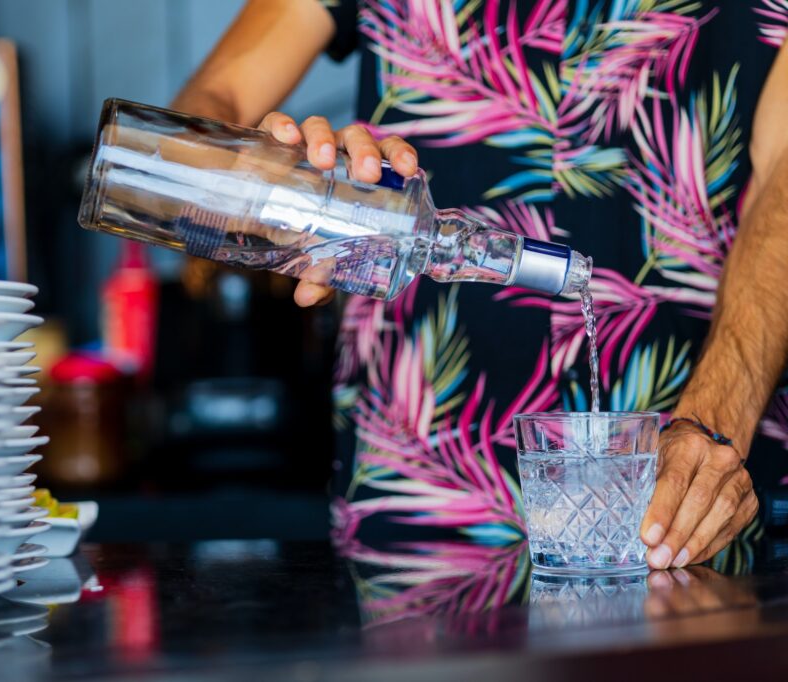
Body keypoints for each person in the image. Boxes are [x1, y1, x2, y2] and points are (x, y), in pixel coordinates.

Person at [171, 0, 788, 568]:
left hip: (692, 501)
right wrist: (277, 177)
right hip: (423, 478)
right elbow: (213, 100)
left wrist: (714, 424)